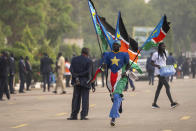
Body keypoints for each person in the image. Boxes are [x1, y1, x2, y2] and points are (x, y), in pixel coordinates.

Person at [101, 40, 131, 126]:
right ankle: (119, 104)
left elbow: (128, 65)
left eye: (117, 45)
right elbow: (106, 65)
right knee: (113, 97)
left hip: (121, 77)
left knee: (117, 95)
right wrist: (104, 65)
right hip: (111, 78)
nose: (115, 46)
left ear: (120, 46)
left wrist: (126, 71)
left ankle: (113, 118)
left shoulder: (124, 54)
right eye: (114, 45)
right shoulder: (108, 54)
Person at [67, 47, 95, 120]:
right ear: (88, 53)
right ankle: (83, 116)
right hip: (85, 82)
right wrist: (93, 84)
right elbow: (90, 73)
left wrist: (75, 75)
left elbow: (70, 69)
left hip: (76, 81)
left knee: (76, 99)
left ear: (81, 52)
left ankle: (74, 115)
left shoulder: (74, 59)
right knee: (85, 99)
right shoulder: (89, 61)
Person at [151, 42, 178, 109]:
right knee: (167, 86)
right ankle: (172, 103)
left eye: (164, 47)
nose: (164, 47)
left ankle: (154, 104)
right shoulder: (155, 54)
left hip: (164, 72)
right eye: (163, 46)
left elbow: (164, 63)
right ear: (159, 46)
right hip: (159, 73)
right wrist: (157, 66)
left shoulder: (164, 53)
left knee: (159, 88)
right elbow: (151, 62)